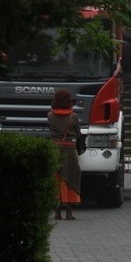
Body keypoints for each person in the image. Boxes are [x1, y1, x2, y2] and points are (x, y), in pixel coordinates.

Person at [47, 88, 82, 220]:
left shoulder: (50, 115)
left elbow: (50, 129)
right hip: (69, 150)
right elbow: (78, 134)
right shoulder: (73, 116)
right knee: (70, 177)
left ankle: (57, 211)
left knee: (56, 177)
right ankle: (69, 211)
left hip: (54, 148)